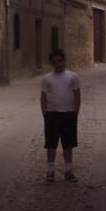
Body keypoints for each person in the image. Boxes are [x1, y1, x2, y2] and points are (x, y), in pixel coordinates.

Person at [40, 49, 81, 182]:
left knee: (68, 145)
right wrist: (45, 113)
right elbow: (43, 96)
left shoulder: (73, 76)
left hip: (69, 114)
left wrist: (76, 112)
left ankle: (68, 170)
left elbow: (77, 94)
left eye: (60, 61)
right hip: (52, 114)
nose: (58, 64)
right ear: (52, 64)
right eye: (55, 62)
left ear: (64, 60)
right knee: (51, 144)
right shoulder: (47, 78)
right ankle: (50, 170)